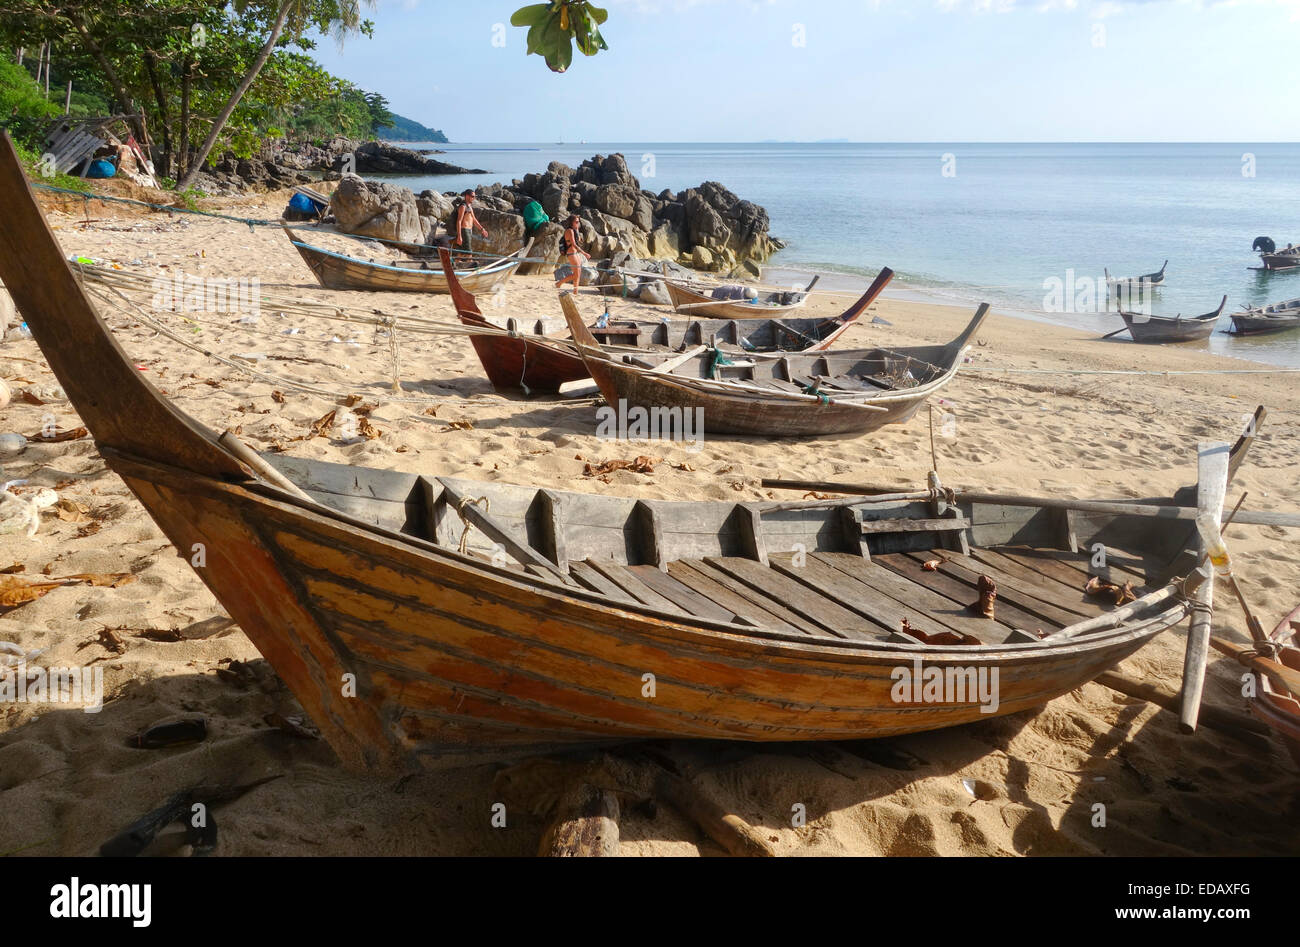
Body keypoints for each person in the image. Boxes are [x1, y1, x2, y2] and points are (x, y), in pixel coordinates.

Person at [453, 190, 489, 266]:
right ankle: (471, 266)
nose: (474, 198)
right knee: (468, 251)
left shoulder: (469, 206)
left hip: (469, 231)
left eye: (474, 196)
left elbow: (474, 220)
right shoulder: (463, 206)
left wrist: (482, 229)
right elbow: (459, 221)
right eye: (472, 196)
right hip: (464, 231)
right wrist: (459, 236)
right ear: (467, 196)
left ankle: (455, 264)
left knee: (461, 251)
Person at [555, 215, 588, 293]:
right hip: (571, 254)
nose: (578, 223)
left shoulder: (574, 230)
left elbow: (579, 241)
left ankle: (575, 290)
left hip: (575, 253)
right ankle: (559, 283)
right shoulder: (569, 231)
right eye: (576, 221)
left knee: (578, 273)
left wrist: (577, 230)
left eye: (578, 221)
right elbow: (574, 244)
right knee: (576, 274)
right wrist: (584, 253)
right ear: (571, 222)